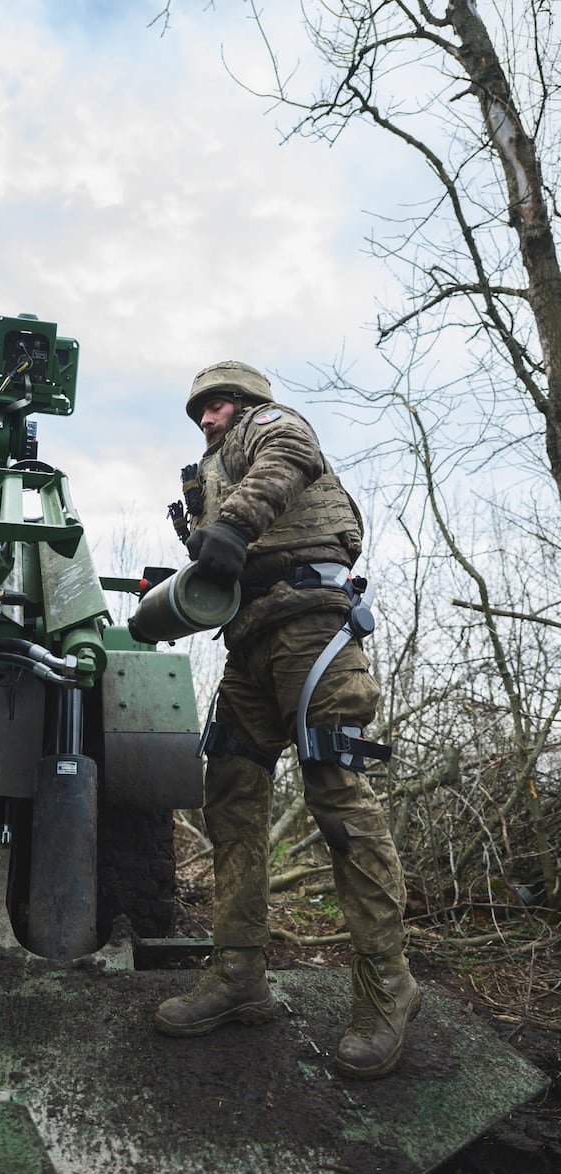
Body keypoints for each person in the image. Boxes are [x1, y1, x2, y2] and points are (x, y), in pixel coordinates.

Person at [154, 360, 420, 1081]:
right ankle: (239, 972)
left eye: (219, 404)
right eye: (201, 410)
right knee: (232, 795)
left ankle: (388, 986)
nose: (210, 418)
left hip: (312, 631)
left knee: (338, 797)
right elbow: (220, 561)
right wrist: (175, 583)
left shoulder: (268, 429)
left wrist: (234, 524)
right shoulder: (206, 476)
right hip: (247, 644)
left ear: (246, 402)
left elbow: (289, 460)